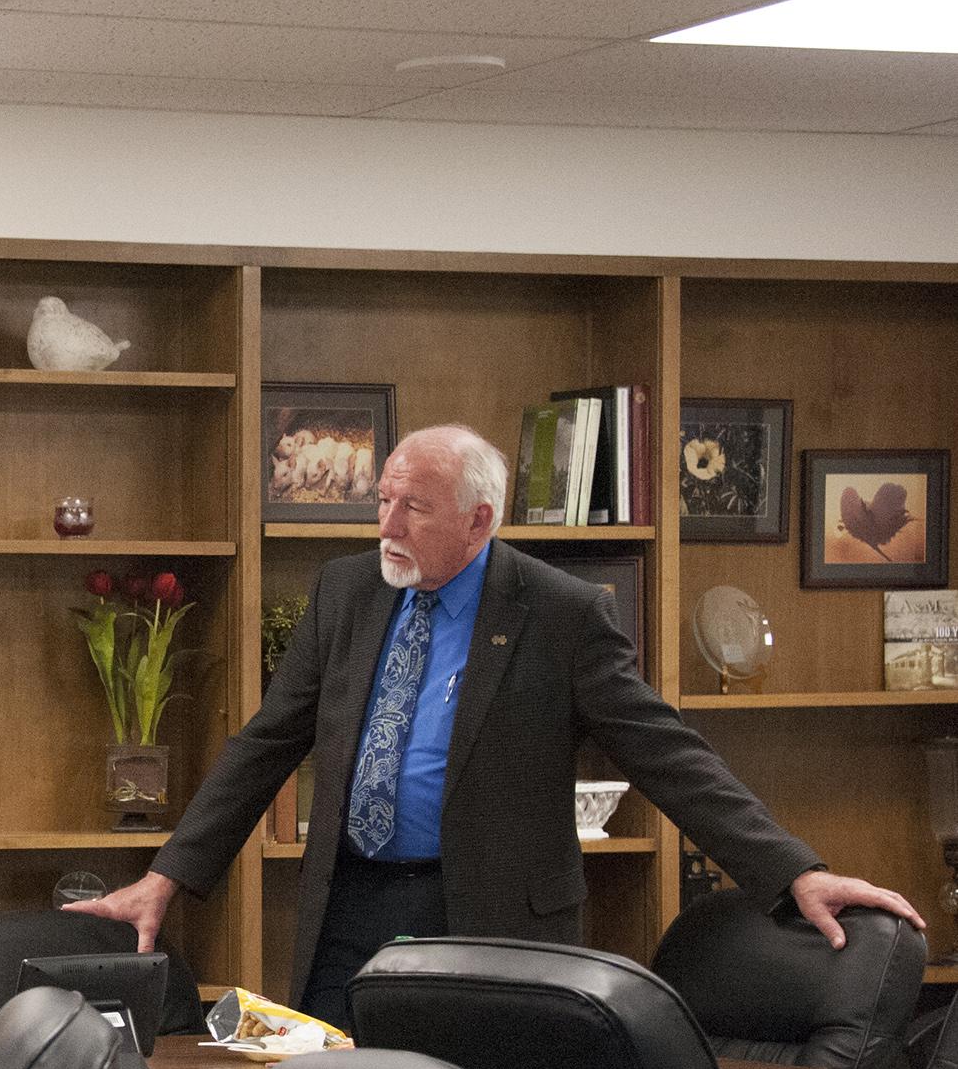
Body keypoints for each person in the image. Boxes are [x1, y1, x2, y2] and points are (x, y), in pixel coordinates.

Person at [69, 424, 921, 1028]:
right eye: (384, 500)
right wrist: (169, 875)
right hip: (349, 903)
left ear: (481, 520)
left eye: (415, 509)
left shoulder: (559, 613)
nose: (387, 526)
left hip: (488, 914)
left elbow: (667, 754)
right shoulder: (347, 592)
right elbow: (266, 745)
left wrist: (792, 871)